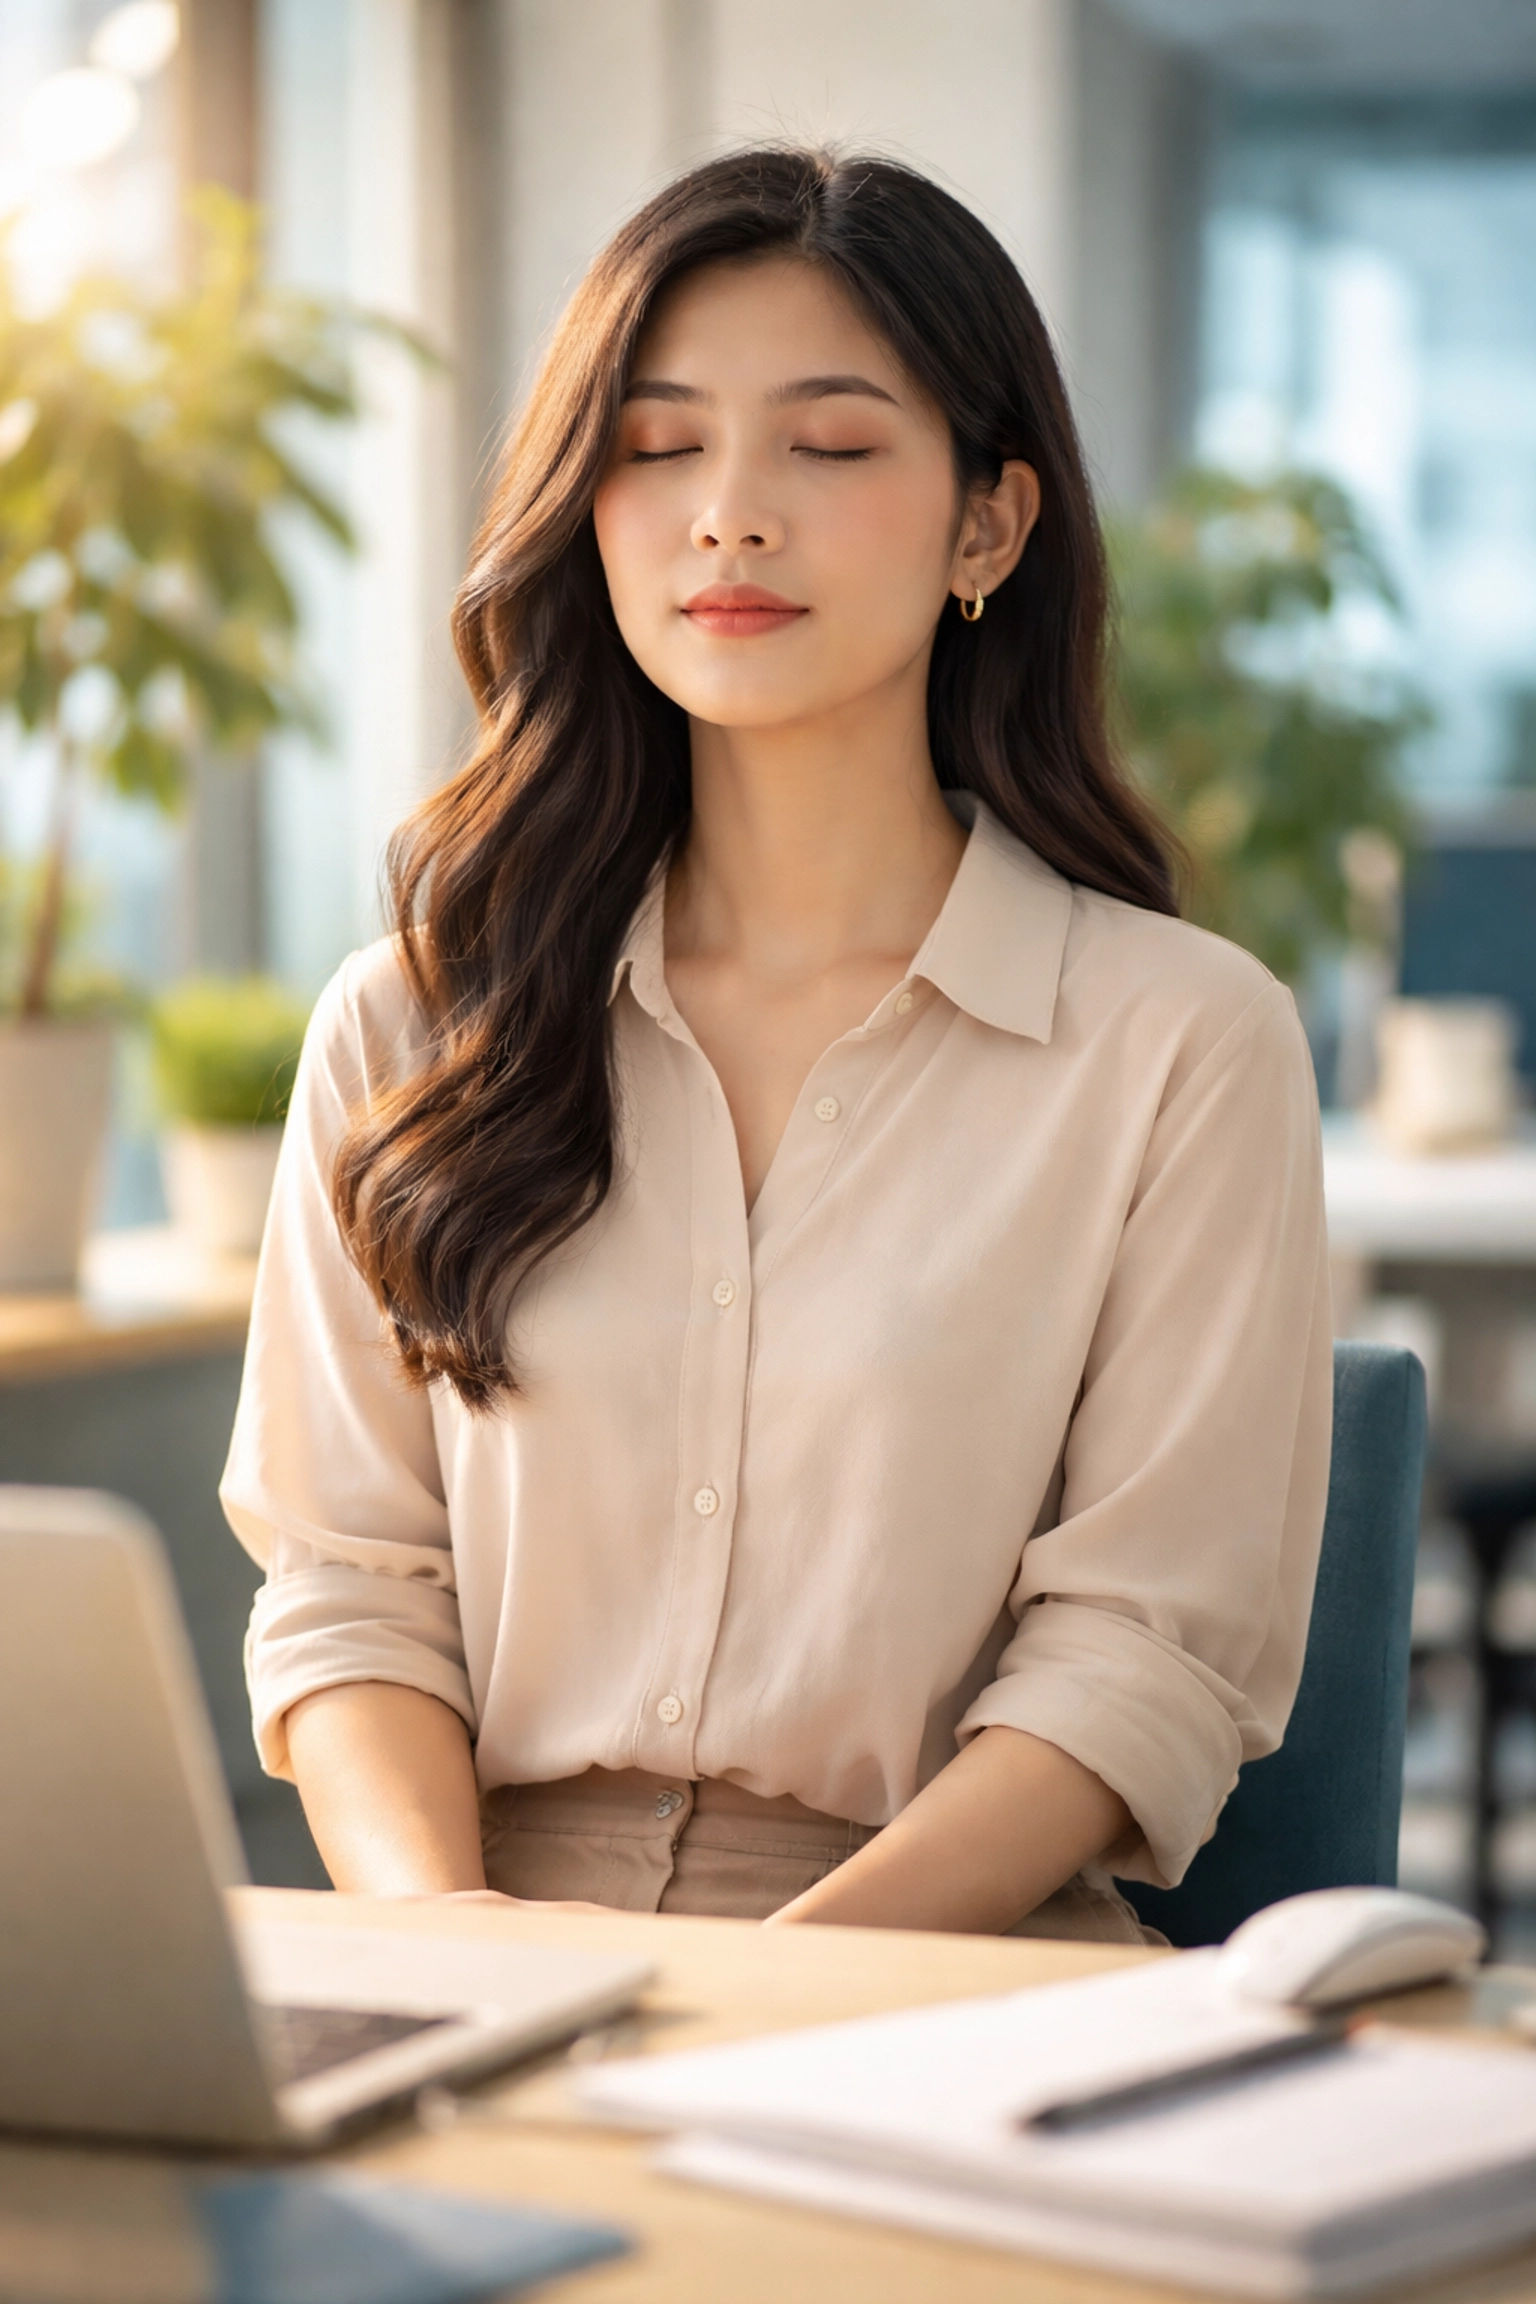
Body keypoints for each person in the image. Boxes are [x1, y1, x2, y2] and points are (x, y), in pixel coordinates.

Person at [222, 148, 1331, 1942]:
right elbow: (352, 1587)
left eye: (829, 446)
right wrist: (458, 1954)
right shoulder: (415, 1021)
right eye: (657, 448)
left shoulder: (1184, 1049)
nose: (729, 513)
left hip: (932, 1970)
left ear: (990, 525)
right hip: (472, 1945)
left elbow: (1141, 1663)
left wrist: (748, 2006)